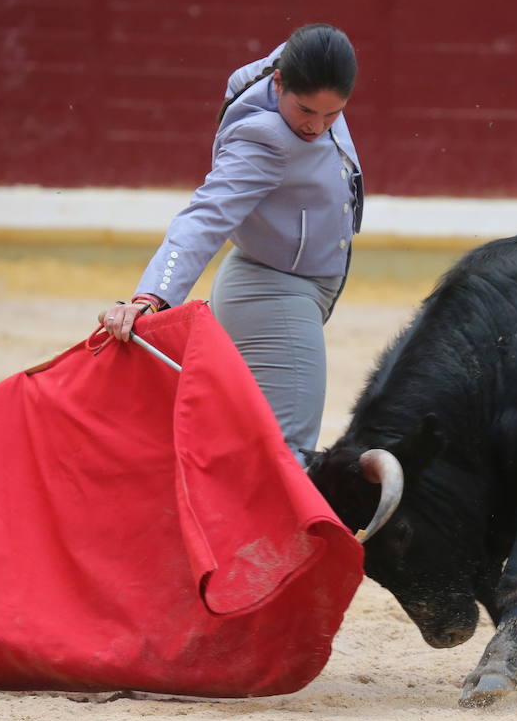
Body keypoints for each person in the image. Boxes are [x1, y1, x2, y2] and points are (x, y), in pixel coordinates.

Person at [99, 23, 363, 464]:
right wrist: (152, 296)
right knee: (286, 457)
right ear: (278, 83)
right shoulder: (265, 139)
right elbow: (206, 217)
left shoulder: (305, 67)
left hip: (277, 289)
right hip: (274, 296)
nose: (316, 127)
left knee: (247, 445)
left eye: (333, 114)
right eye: (305, 110)